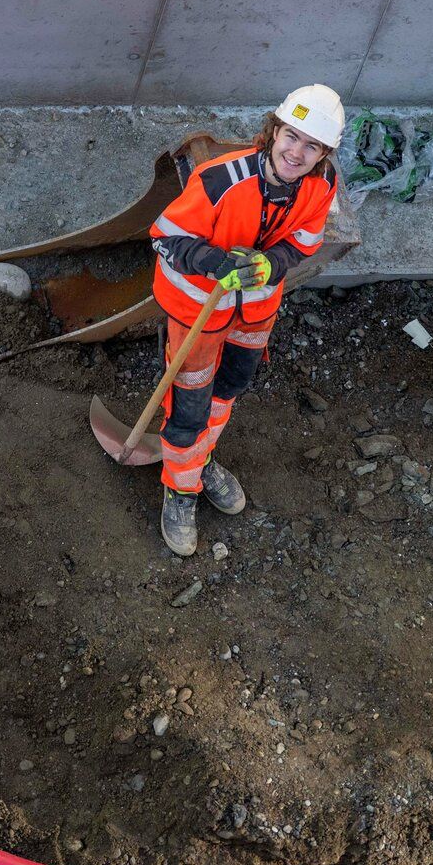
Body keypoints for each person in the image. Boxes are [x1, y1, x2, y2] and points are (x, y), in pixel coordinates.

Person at [145, 84, 342, 557]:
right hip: (199, 311)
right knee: (189, 408)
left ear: (323, 153)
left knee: (227, 392)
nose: (297, 152)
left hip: (254, 312)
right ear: (273, 132)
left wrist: (271, 264)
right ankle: (181, 489)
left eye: (311, 145)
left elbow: (304, 242)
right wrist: (212, 261)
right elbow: (164, 236)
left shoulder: (322, 184)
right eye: (291, 136)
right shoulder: (220, 180)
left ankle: (201, 461)